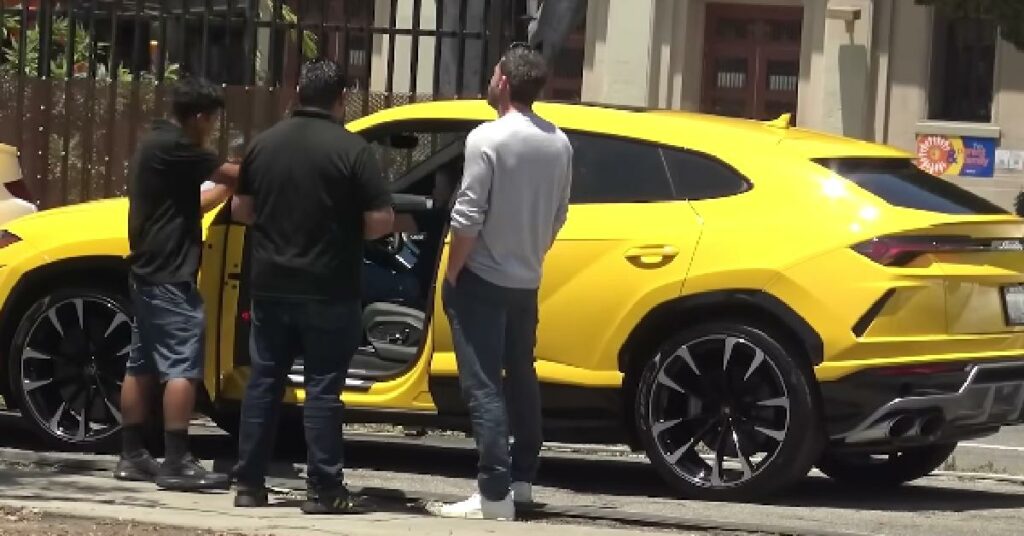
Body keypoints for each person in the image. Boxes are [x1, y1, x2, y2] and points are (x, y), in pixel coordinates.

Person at [229, 59, 395, 514]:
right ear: (342, 99)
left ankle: (249, 484)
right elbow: (380, 220)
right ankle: (324, 489)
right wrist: (342, 228)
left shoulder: (264, 145)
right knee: (323, 388)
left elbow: (241, 209)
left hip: (271, 285)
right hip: (329, 288)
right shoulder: (352, 150)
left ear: (297, 91)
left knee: (264, 381)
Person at [427, 44, 572, 521]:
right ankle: (522, 480)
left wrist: (452, 273)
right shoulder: (558, 142)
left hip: (483, 279)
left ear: (504, 82)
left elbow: (467, 216)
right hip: (525, 279)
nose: (489, 80)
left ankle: (492, 492)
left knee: (484, 386)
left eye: (493, 74)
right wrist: (530, 253)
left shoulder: (486, 139)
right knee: (522, 378)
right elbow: (557, 217)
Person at [116, 77, 239, 490]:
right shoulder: (178, 147)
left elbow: (195, 200)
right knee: (182, 367)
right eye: (213, 121)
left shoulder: (157, 140)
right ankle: (176, 460)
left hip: (149, 270)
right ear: (201, 116)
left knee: (143, 362)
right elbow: (232, 173)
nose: (213, 130)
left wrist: (224, 189)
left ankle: (132, 454)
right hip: (170, 274)